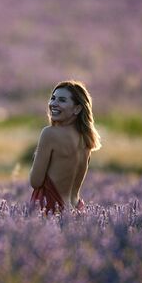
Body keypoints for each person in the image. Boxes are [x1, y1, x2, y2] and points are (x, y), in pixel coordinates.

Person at [29, 80, 101, 214]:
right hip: (76, 209)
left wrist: (37, 156)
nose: (53, 104)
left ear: (77, 109)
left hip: (51, 209)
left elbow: (35, 181)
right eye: (53, 98)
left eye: (62, 100)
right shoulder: (86, 139)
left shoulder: (49, 134)